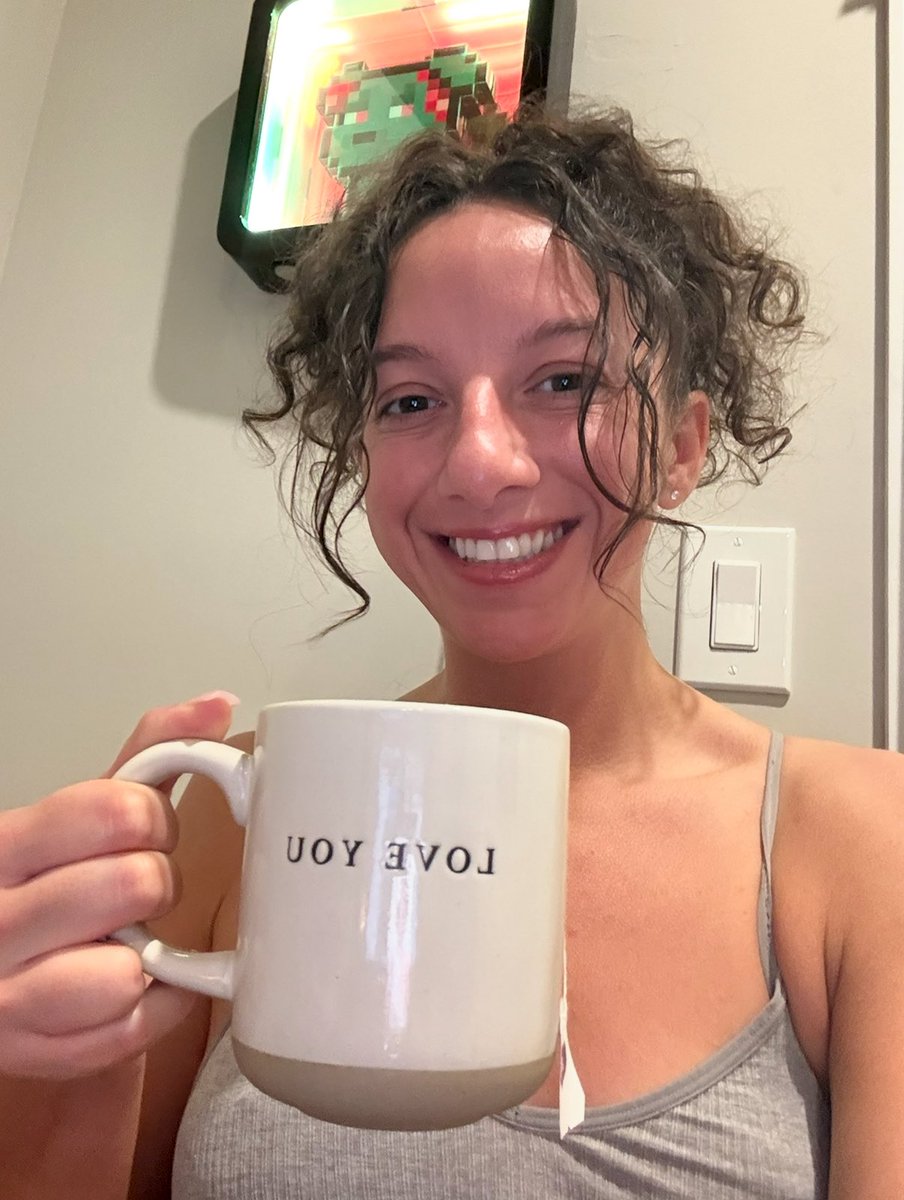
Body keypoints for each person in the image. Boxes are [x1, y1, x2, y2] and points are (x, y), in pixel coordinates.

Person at [1, 104, 902, 1200]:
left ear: (680, 445)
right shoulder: (234, 815)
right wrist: (54, 1060)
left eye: (563, 380)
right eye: (412, 399)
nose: (479, 462)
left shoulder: (862, 841)